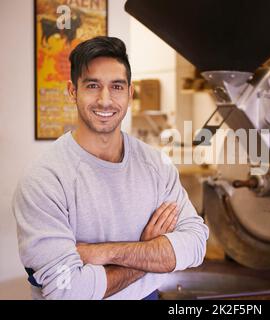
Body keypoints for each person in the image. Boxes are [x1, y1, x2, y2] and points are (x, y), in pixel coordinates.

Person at [12, 36, 209, 300]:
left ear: (129, 93)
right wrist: (148, 252)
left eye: (116, 86)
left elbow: (196, 244)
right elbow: (66, 291)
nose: (105, 100)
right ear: (73, 91)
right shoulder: (45, 179)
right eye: (93, 85)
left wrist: (103, 252)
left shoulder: (156, 165)